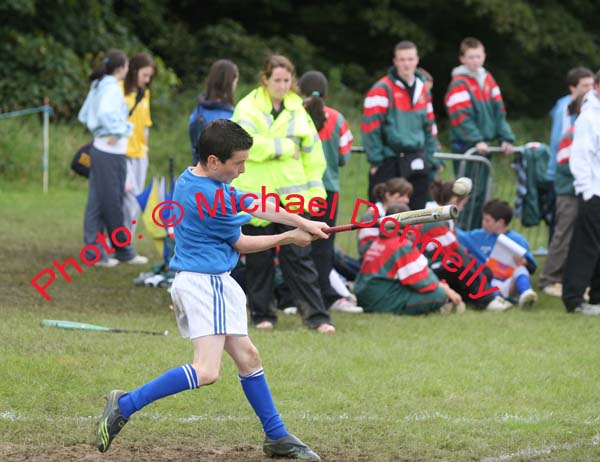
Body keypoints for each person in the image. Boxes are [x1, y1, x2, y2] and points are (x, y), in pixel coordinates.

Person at [95, 120, 325, 460]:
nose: (243, 170)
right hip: (206, 284)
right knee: (207, 371)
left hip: (211, 281)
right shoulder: (208, 196)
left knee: (248, 358)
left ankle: (276, 435)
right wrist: (288, 237)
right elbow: (242, 242)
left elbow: (250, 202)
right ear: (215, 161)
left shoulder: (195, 178)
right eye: (238, 163)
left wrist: (301, 221)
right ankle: (125, 404)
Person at [232, 55, 335, 333]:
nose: (281, 85)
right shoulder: (247, 107)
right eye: (276, 80)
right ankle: (262, 314)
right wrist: (283, 147)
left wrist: (316, 193)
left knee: (300, 256)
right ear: (265, 79)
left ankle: (317, 317)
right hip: (256, 195)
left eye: (286, 80)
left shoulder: (298, 110)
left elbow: (313, 155)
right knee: (259, 258)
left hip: (293, 195)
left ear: (293, 81)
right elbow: (243, 145)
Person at [298, 70, 361, 313]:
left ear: (299, 90)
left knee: (296, 244)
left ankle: (295, 296)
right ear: (325, 92)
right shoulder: (337, 118)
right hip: (328, 190)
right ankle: (324, 294)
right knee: (324, 245)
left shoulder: (294, 115)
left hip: (298, 191)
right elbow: (344, 156)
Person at [78, 49, 148, 267]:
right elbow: (106, 115)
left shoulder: (99, 85)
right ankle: (123, 251)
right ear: (121, 68)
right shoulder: (110, 88)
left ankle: (94, 254)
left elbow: (84, 114)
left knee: (97, 204)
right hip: (111, 153)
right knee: (112, 204)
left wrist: (102, 132)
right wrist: (119, 131)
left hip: (102, 151)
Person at [444, 37, 515, 230]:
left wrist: (506, 138)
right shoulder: (459, 83)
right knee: (467, 194)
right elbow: (461, 117)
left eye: (478, 56)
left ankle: (475, 235)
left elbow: (499, 112)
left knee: (483, 195)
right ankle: (461, 236)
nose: (475, 60)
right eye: (471, 57)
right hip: (468, 147)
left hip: (483, 147)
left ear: (484, 56)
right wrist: (476, 140)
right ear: (462, 59)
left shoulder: (488, 79)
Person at [361, 40, 441, 210]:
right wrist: (376, 160)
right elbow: (371, 127)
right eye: (402, 59)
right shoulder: (382, 89)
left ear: (417, 60)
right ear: (395, 61)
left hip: (417, 159)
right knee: (384, 214)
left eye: (410, 59)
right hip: (390, 159)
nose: (407, 64)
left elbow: (430, 127)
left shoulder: (423, 89)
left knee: (417, 213)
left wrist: (432, 158)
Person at [354, 203, 463, 315]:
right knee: (438, 295)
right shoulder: (401, 244)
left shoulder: (378, 241)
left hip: (364, 296)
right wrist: (445, 289)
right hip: (378, 300)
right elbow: (421, 281)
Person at [422, 180, 513, 311]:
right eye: (462, 204)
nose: (463, 208)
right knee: (462, 262)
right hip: (429, 268)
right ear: (454, 201)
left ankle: (470, 298)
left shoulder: (441, 218)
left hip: (439, 265)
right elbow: (455, 252)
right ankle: (488, 300)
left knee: (484, 271)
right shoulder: (436, 221)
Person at [539, 94, 585, 297]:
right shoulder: (572, 133)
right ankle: (549, 278)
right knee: (563, 236)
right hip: (569, 193)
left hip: (583, 192)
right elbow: (564, 164)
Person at [562, 76, 600, 315]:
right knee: (585, 247)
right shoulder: (589, 116)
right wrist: (586, 190)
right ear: (597, 87)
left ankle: (596, 297)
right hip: (593, 192)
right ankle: (574, 298)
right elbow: (581, 156)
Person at [457, 199, 538, 307]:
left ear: (500, 222)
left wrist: (524, 263)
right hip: (488, 282)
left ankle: (526, 294)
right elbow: (457, 234)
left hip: (509, 283)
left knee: (521, 270)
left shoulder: (517, 240)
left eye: (487, 220)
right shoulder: (477, 236)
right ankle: (496, 300)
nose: (483, 223)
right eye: (484, 219)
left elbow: (532, 267)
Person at [121, 52, 156, 235]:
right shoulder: (119, 89)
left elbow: (146, 126)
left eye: (149, 76)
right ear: (133, 71)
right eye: (144, 75)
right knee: (129, 198)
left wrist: (146, 150)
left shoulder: (145, 93)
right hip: (122, 153)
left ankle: (127, 240)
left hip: (140, 154)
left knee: (136, 200)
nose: (147, 79)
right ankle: (120, 241)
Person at [547, 67, 594, 184]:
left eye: (592, 85)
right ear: (572, 88)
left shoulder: (589, 106)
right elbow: (562, 140)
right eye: (585, 85)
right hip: (565, 174)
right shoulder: (565, 108)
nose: (590, 89)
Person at [189, 59, 239, 165]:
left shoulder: (198, 111)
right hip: (220, 175)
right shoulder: (230, 117)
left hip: (198, 170)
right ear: (230, 83)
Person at [357, 177, 413, 258]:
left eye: (408, 196)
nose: (407, 200)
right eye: (402, 196)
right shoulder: (370, 217)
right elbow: (366, 249)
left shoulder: (400, 215)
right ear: (388, 196)